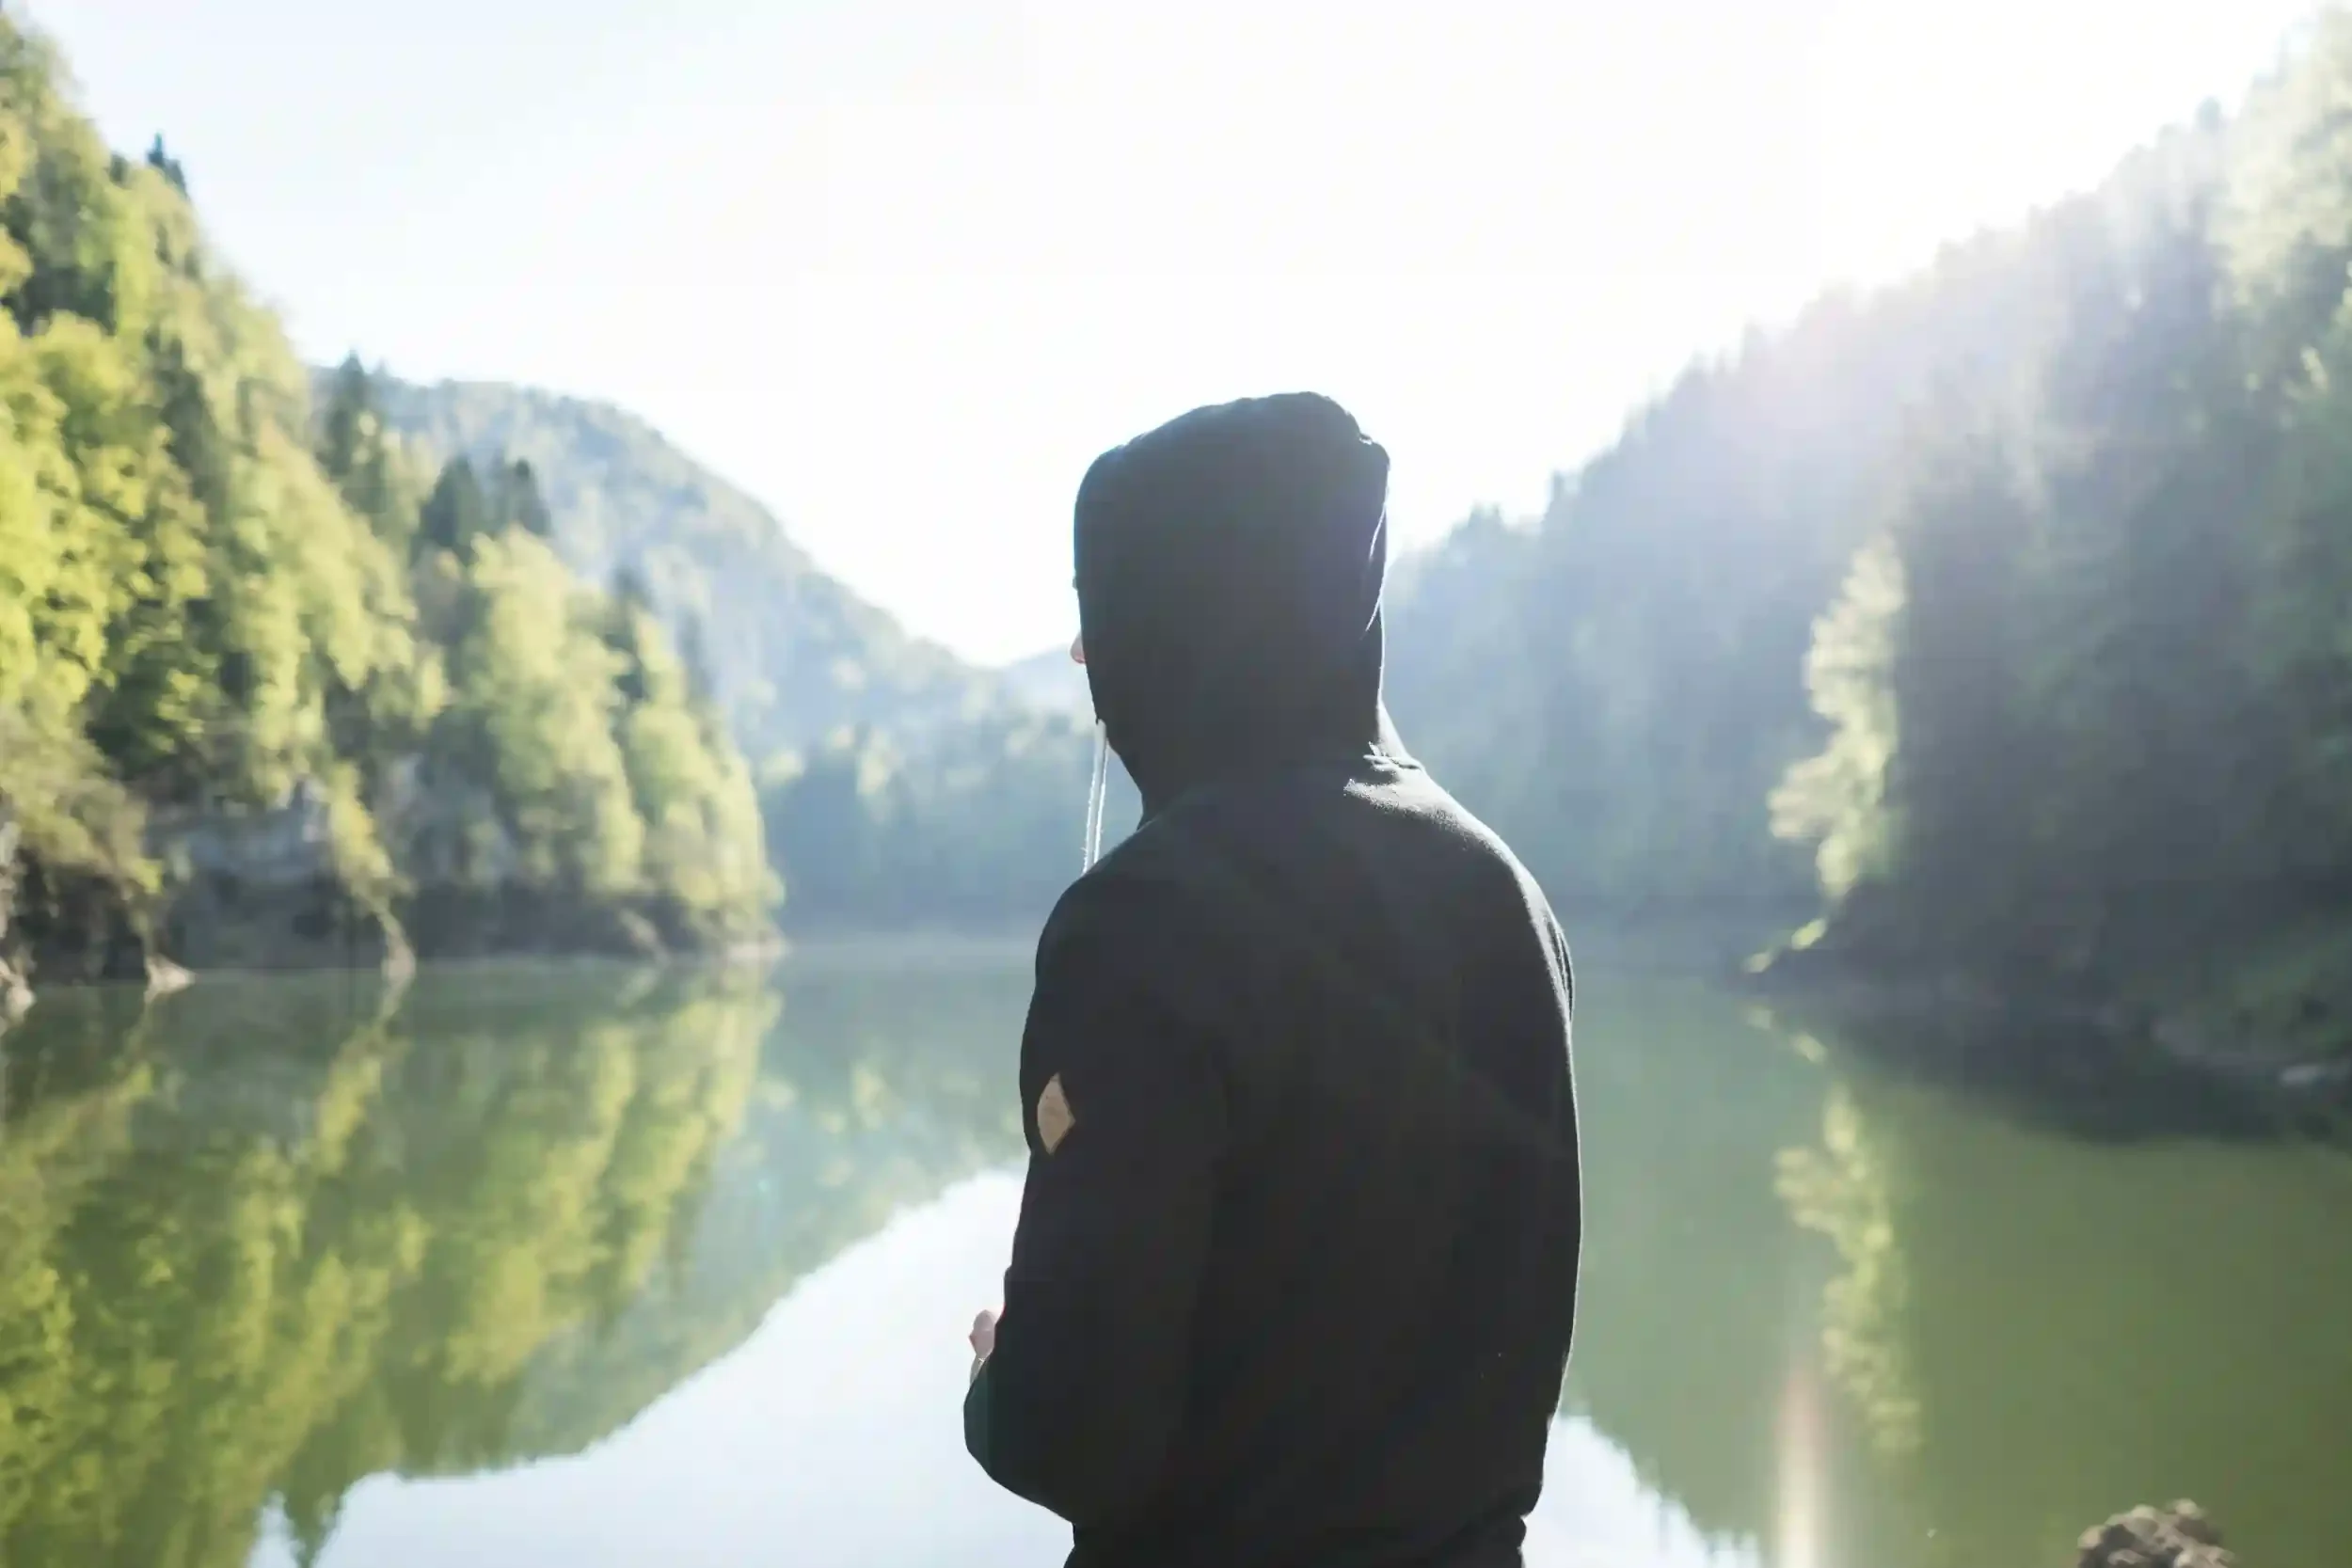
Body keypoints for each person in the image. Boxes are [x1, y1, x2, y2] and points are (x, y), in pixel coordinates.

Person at [963, 392, 1581, 1568]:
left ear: (1177, 619)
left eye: (1103, 611)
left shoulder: (1145, 922)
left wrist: (1001, 1374)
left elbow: (1074, 1433)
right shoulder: (1506, 896)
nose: (1088, 657)